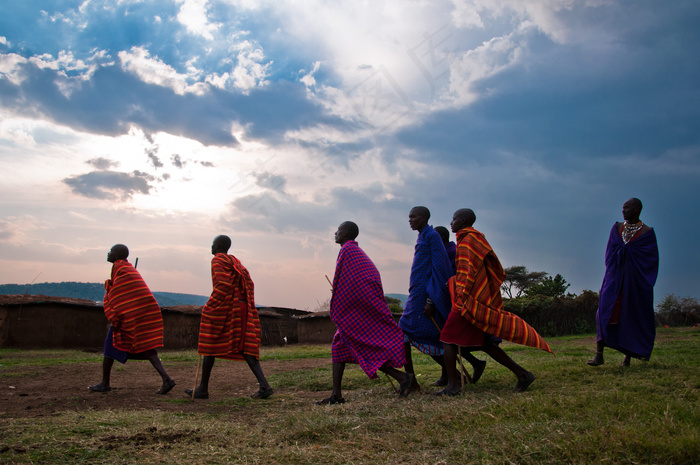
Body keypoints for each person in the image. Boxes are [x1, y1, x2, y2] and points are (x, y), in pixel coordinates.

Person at [439, 209, 553, 395]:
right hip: (475, 300)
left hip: (468, 302)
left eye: (454, 219)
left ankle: (453, 386)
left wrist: (460, 297)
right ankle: (523, 374)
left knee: (447, 340)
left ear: (464, 220)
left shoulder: (468, 241)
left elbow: (468, 274)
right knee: (485, 343)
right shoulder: (473, 239)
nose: (451, 223)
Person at [317, 222, 413, 405]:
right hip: (359, 309)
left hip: (359, 312)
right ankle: (336, 395)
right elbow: (355, 280)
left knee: (363, 347)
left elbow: (360, 282)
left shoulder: (348, 251)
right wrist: (343, 290)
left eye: (337, 230)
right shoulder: (355, 252)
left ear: (345, 233)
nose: (335, 233)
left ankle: (402, 377)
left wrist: (342, 294)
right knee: (339, 346)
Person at [399, 206, 485, 390]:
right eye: (409, 216)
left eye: (413, 216)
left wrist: (431, 300)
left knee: (404, 331)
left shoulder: (432, 236)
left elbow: (441, 269)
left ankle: (412, 381)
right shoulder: (422, 236)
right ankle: (442, 376)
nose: (410, 220)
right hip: (416, 293)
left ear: (424, 218)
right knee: (430, 336)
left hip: (425, 295)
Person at [186, 235, 273, 400]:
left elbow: (223, 284)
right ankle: (203, 388)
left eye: (212, 243)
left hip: (228, 306)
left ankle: (264, 386)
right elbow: (249, 283)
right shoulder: (235, 261)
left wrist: (210, 306)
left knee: (215, 342)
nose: (211, 246)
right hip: (239, 305)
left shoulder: (218, 260)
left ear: (217, 245)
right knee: (237, 344)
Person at [89, 244, 176, 394]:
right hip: (138, 315)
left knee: (111, 346)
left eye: (111, 251)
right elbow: (126, 293)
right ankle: (166, 379)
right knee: (145, 347)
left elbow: (118, 296)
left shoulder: (122, 269)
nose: (108, 253)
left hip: (131, 316)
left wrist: (111, 298)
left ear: (117, 255)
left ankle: (105, 383)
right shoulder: (126, 269)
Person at [588, 198, 659, 367]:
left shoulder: (647, 233)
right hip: (613, 278)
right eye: (622, 208)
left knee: (630, 315)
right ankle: (599, 355)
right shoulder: (617, 228)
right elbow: (609, 253)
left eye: (626, 208)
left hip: (634, 282)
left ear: (636, 210)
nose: (623, 211)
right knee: (603, 313)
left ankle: (627, 357)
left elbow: (651, 260)